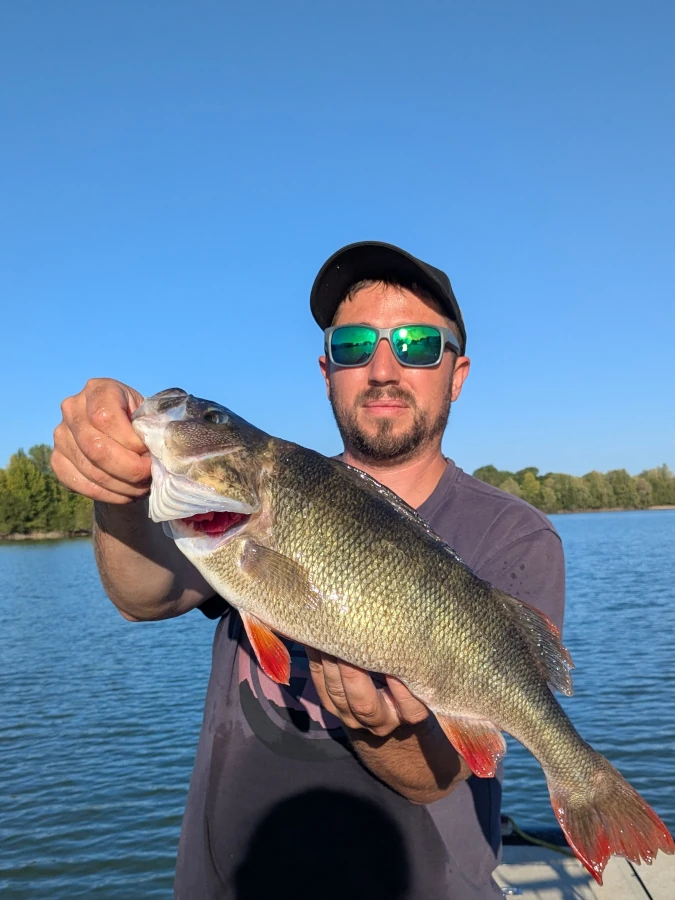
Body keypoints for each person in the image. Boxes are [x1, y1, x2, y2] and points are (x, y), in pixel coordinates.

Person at [52, 241, 565, 899]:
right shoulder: (250, 504)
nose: (383, 368)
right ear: (326, 369)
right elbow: (141, 598)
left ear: (456, 372)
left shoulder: (515, 535)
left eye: (414, 344)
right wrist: (116, 492)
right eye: (353, 346)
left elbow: (437, 778)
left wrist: (381, 730)